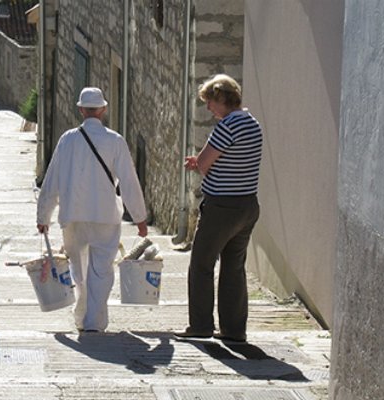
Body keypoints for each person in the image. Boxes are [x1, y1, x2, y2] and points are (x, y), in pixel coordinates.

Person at [36, 87, 149, 332]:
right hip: (105, 216)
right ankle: (93, 322)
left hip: (73, 217)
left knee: (79, 271)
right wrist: (140, 218)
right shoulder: (115, 141)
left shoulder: (67, 140)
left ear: (80, 110)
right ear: (103, 109)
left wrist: (43, 215)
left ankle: (82, 316)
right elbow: (129, 182)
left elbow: (52, 179)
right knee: (101, 271)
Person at [174, 74, 263, 343]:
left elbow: (205, 163)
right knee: (233, 266)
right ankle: (234, 330)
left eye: (211, 102)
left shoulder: (228, 126)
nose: (209, 109)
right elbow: (230, 160)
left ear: (223, 99)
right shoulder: (252, 123)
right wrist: (203, 161)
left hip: (222, 206)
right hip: (247, 204)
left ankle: (201, 325)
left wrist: (199, 162)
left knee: (201, 263)